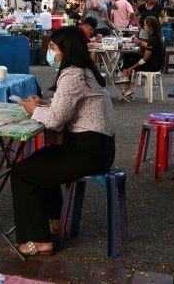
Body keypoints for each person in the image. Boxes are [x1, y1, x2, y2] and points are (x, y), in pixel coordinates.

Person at [10, 26, 115, 257]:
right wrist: (46, 103)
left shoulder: (72, 75)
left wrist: (32, 109)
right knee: (42, 160)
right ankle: (56, 221)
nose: (50, 52)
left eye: (53, 47)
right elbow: (68, 104)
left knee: (22, 173)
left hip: (87, 150)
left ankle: (39, 240)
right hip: (100, 149)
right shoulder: (86, 71)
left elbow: (56, 120)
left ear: (66, 50)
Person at [118, 16, 165, 98]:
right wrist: (139, 42)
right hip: (156, 63)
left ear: (150, 27)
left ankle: (126, 84)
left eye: (145, 25)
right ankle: (126, 82)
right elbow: (149, 46)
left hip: (152, 65)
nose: (144, 26)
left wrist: (131, 68)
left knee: (128, 60)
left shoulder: (152, 38)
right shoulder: (155, 36)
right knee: (128, 55)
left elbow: (144, 59)